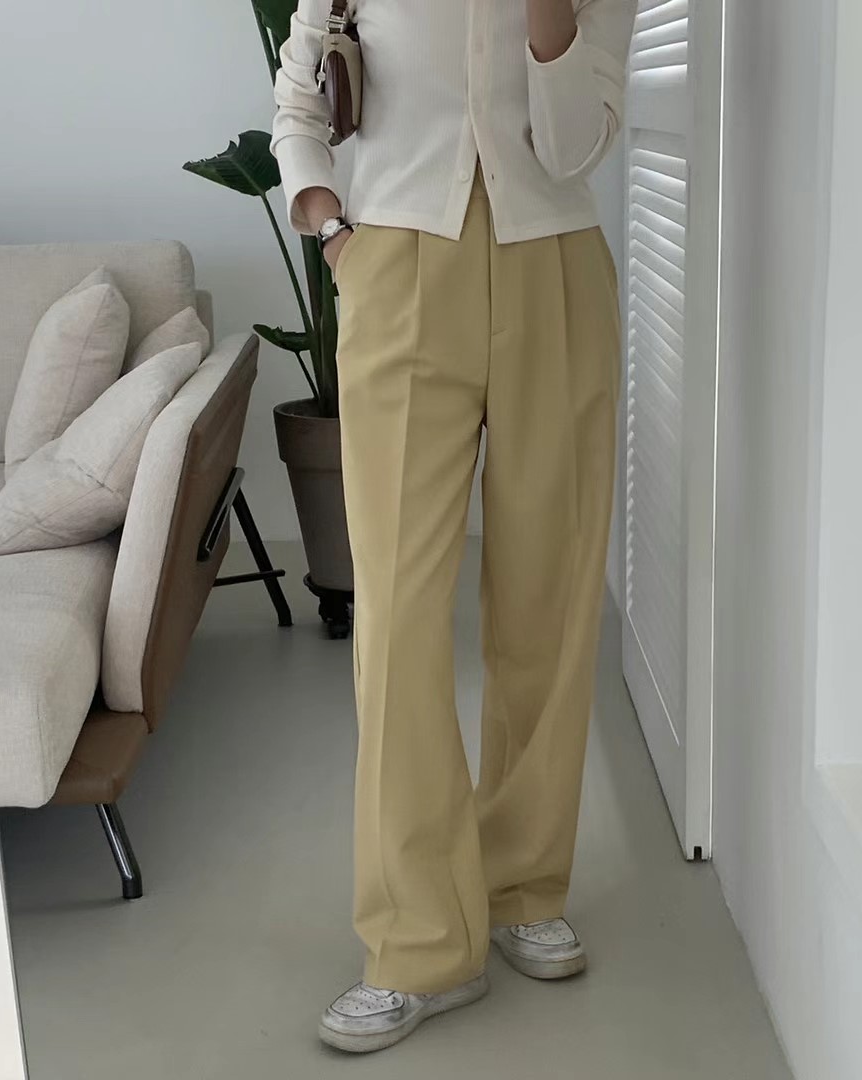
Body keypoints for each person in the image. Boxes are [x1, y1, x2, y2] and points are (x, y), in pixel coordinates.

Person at [271, 0, 635, 1054]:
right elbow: (299, 97)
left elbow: (575, 148)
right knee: (395, 615)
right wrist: (333, 230)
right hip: (395, 267)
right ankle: (418, 940)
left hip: (555, 267)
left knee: (547, 599)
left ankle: (524, 886)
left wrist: (549, 16)